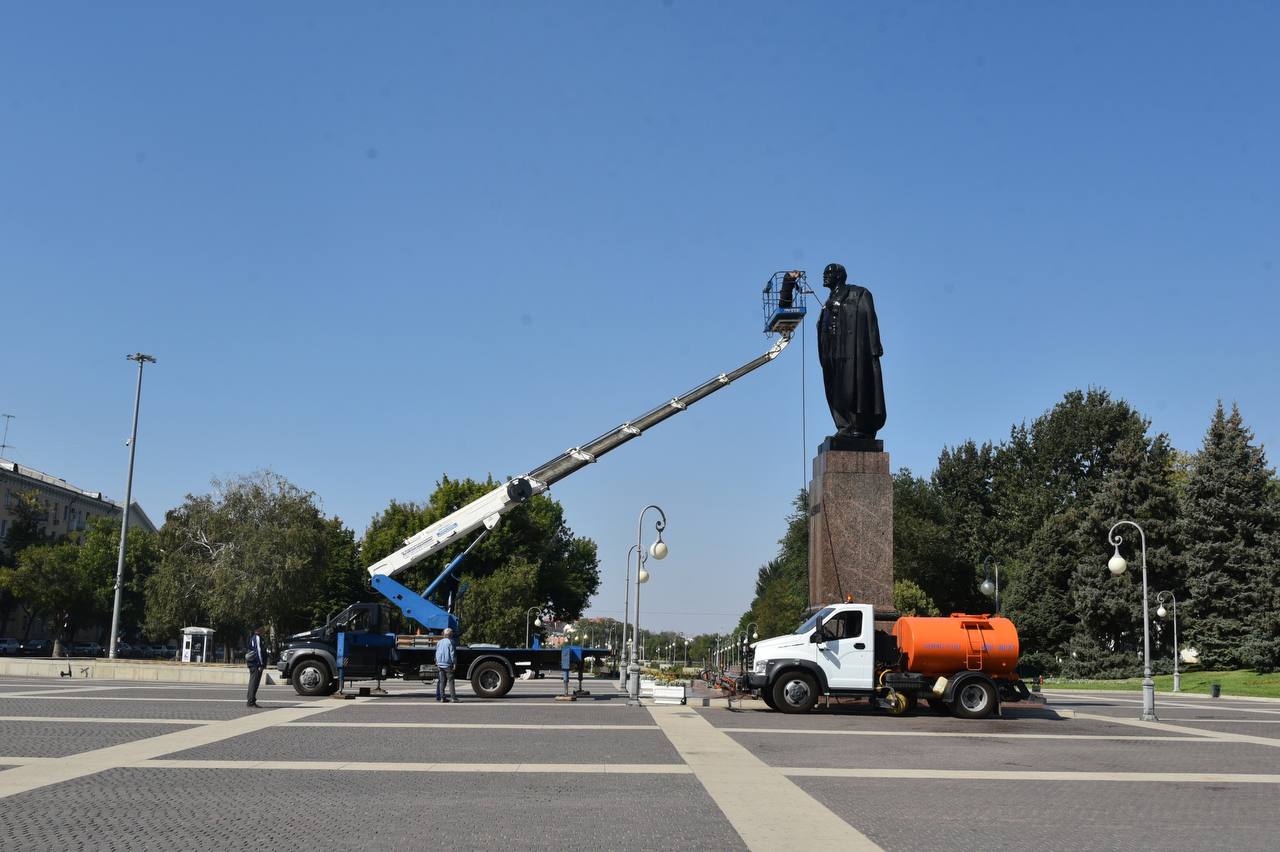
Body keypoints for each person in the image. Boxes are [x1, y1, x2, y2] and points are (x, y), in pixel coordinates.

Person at [816, 262, 886, 440]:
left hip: (851, 350)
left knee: (854, 387)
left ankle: (857, 425)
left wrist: (874, 346)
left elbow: (870, 318)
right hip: (831, 352)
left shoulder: (858, 293)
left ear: (839, 275)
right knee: (834, 389)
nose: (825, 275)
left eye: (829, 272)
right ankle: (843, 425)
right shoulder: (827, 301)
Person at [245, 625, 267, 708]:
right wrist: (261, 664)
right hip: (255, 664)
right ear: (258, 629)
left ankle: (251, 700)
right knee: (254, 683)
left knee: (253, 682)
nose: (264, 630)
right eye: (262, 628)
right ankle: (251, 701)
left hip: (254, 663)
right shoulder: (257, 638)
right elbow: (259, 651)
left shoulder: (255, 637)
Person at [435, 627, 458, 703]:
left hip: (440, 664)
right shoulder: (450, 642)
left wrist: (437, 662)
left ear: (444, 634)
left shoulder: (439, 642)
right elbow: (452, 654)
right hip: (448, 665)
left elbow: (437, 653)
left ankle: (442, 698)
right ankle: (453, 698)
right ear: (450, 634)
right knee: (451, 681)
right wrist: (454, 663)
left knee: (442, 681)